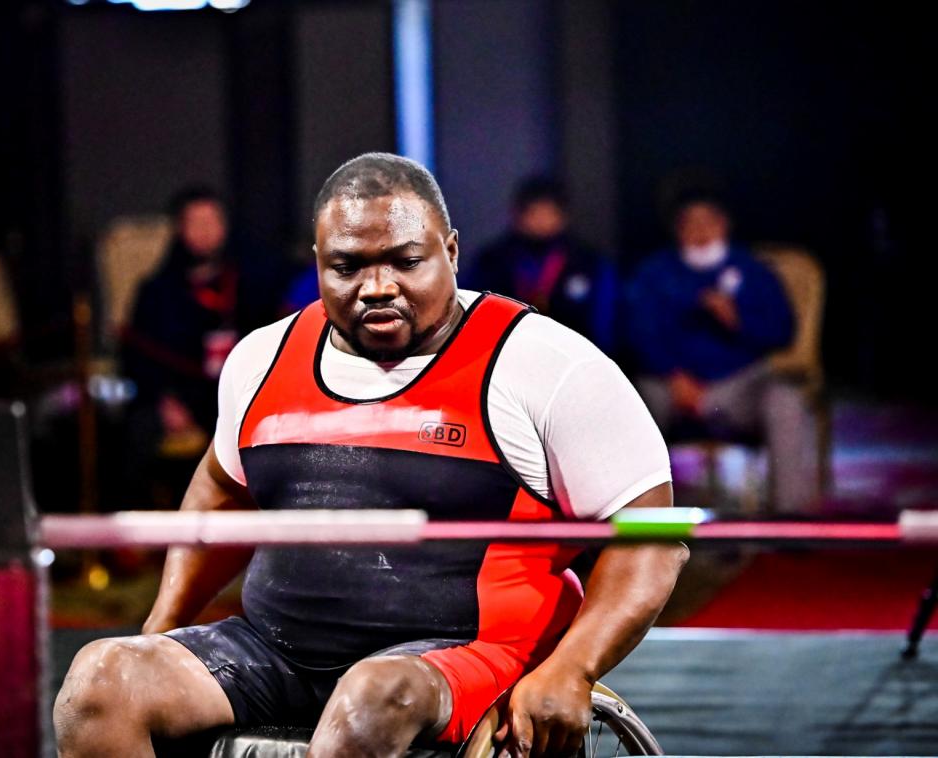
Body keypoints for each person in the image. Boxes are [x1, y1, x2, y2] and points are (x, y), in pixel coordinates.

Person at [56, 154, 687, 757]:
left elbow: (653, 537)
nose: (377, 287)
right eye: (349, 266)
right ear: (318, 263)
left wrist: (572, 670)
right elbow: (220, 492)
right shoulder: (263, 358)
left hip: (465, 657)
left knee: (369, 697)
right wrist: (160, 630)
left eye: (405, 262)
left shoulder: (548, 365)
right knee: (100, 684)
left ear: (452, 252)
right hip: (278, 652)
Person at [625, 190, 815, 512]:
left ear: (724, 225)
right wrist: (672, 376)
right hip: (673, 389)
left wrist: (738, 319)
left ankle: (790, 517)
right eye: (690, 224)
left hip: (737, 389)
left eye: (708, 223)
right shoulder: (654, 273)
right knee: (636, 401)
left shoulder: (753, 271)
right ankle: (634, 514)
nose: (700, 233)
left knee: (785, 399)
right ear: (677, 230)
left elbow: (783, 332)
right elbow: (635, 333)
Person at [465, 177, 619, 355]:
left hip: (571, 355)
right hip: (505, 354)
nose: (541, 221)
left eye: (549, 213)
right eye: (534, 213)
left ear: (563, 216)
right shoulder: (493, 260)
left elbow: (604, 325)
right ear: (518, 215)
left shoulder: (587, 262)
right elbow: (473, 312)